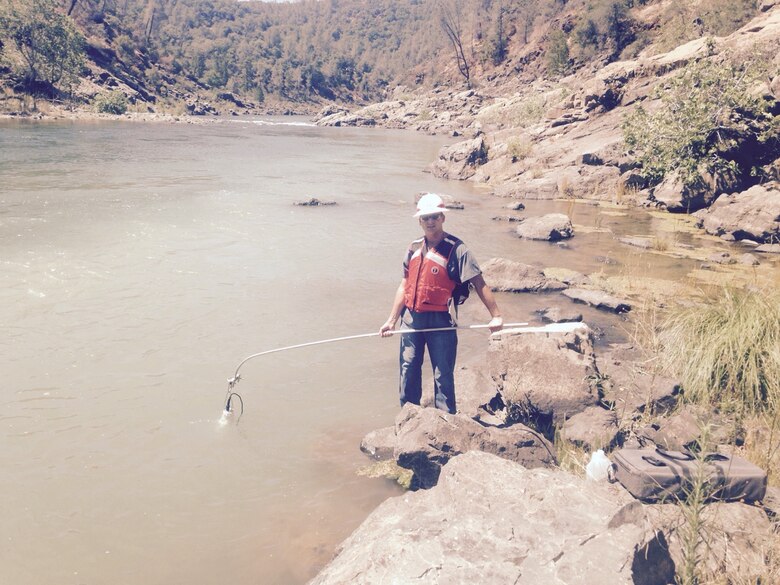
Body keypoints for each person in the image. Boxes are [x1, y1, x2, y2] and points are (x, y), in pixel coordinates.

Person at [379, 193, 503, 414]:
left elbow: (479, 282)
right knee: (408, 369)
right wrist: (391, 320)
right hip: (411, 320)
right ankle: (408, 417)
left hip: (442, 321)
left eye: (435, 216)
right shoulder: (413, 248)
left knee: (442, 373)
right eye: (425, 217)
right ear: (419, 220)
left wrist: (496, 315)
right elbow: (404, 286)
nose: (430, 221)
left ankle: (446, 421)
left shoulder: (457, 249)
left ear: (442, 218)